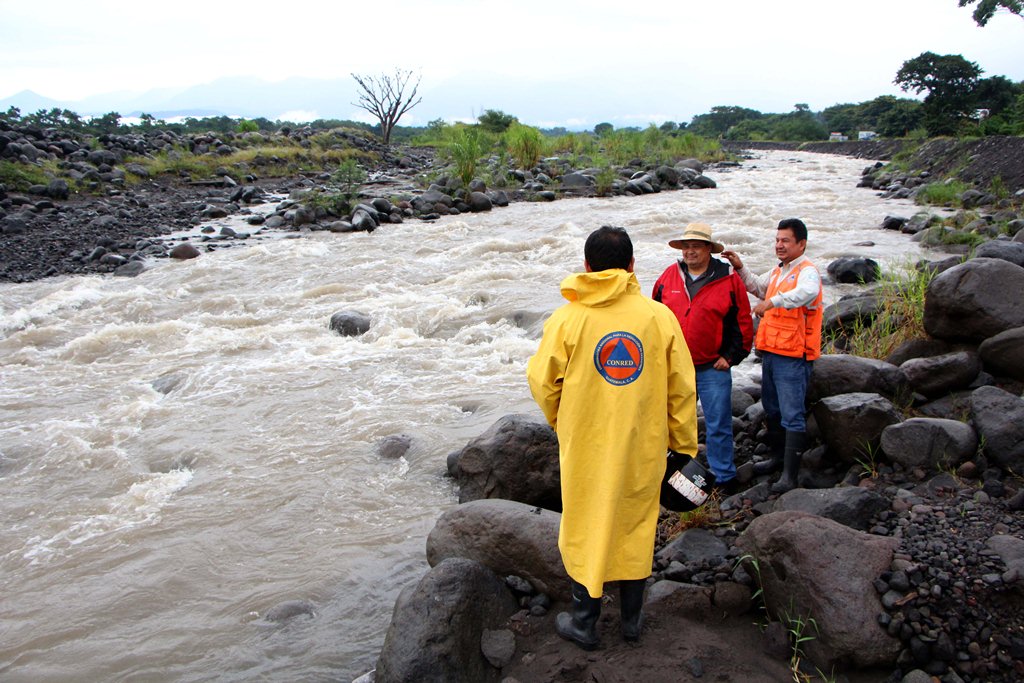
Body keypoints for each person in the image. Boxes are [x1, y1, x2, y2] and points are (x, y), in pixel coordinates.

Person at [526, 226, 698, 650]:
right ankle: (632, 622)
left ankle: (585, 622)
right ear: (632, 266)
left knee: (585, 522)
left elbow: (543, 382)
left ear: (586, 267)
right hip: (643, 444)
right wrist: (684, 447)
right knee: (637, 523)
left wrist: (560, 421)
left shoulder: (568, 318)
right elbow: (682, 389)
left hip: (585, 444)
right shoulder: (658, 317)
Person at [722, 218, 823, 494]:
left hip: (794, 355)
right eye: (777, 240)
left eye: (785, 240)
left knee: (792, 414)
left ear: (801, 244)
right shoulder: (779, 272)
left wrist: (773, 302)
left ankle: (790, 475)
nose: (779, 245)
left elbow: (808, 293)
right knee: (773, 408)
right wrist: (739, 267)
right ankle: (777, 458)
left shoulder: (807, 271)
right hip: (772, 352)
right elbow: (756, 286)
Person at [652, 223, 753, 494]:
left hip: (712, 367)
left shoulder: (729, 279)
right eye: (686, 246)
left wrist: (732, 357)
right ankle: (675, 477)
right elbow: (654, 319)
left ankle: (724, 478)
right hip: (676, 369)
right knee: (673, 424)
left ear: (709, 249)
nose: (690, 251)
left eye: (696, 246)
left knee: (718, 423)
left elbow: (743, 322)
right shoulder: (668, 277)